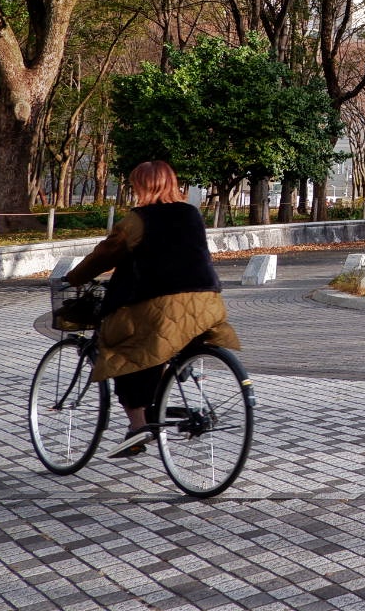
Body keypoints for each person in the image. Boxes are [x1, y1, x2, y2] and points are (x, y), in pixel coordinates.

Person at [63, 160, 241, 458]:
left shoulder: (137, 220)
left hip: (160, 306)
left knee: (122, 351)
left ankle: (137, 428)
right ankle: (171, 374)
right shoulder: (191, 213)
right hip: (206, 304)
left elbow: (105, 255)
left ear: (142, 186)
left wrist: (74, 277)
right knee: (159, 344)